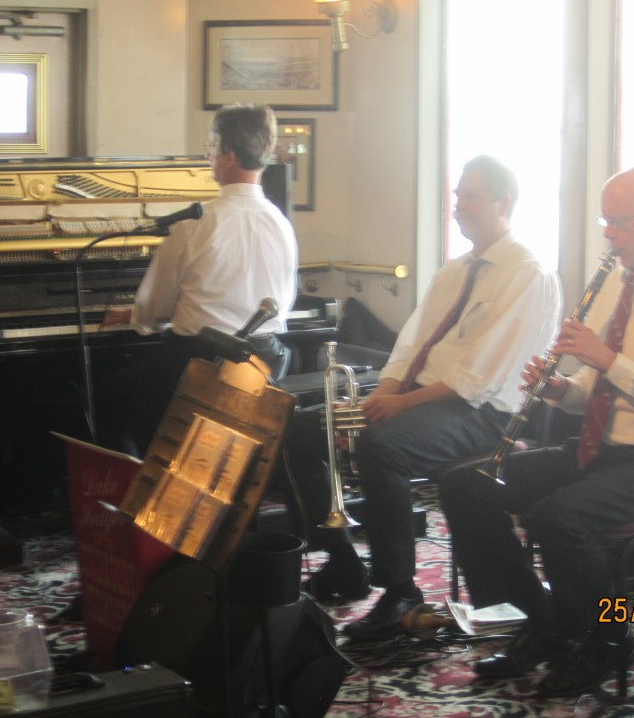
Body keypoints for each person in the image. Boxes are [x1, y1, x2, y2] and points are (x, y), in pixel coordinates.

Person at [439, 164, 634, 696]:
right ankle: (540, 623)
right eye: (605, 221)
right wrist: (562, 390)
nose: (608, 233)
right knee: (466, 486)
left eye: (619, 221)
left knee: (559, 518)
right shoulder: (618, 280)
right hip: (602, 450)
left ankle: (604, 641)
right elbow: (594, 387)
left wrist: (606, 358)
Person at [282, 154, 562, 641]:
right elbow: (409, 348)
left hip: (483, 414)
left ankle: (400, 592)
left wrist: (398, 408)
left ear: (504, 204)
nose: (458, 205)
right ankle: (342, 557)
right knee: (300, 428)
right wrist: (378, 399)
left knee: (382, 446)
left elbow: (481, 377)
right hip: (423, 401)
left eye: (471, 196)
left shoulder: (527, 274)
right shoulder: (453, 273)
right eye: (457, 195)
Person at [96, 103, 298, 455]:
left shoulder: (193, 225)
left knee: (102, 398)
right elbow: (284, 300)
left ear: (229, 156)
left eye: (212, 146)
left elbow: (155, 308)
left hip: (201, 366)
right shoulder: (281, 223)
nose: (209, 157)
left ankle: (148, 478)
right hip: (263, 364)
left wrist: (136, 316)